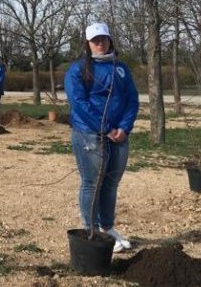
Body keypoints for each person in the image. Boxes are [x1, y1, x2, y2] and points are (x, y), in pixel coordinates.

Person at [64, 23, 139, 253]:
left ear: (110, 40)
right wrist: (105, 127)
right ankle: (91, 229)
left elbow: (132, 100)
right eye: (95, 40)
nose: (100, 43)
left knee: (110, 184)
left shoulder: (121, 69)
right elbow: (79, 103)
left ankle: (107, 228)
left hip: (119, 136)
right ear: (87, 43)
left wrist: (124, 128)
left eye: (104, 39)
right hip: (90, 134)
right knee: (92, 183)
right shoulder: (78, 70)